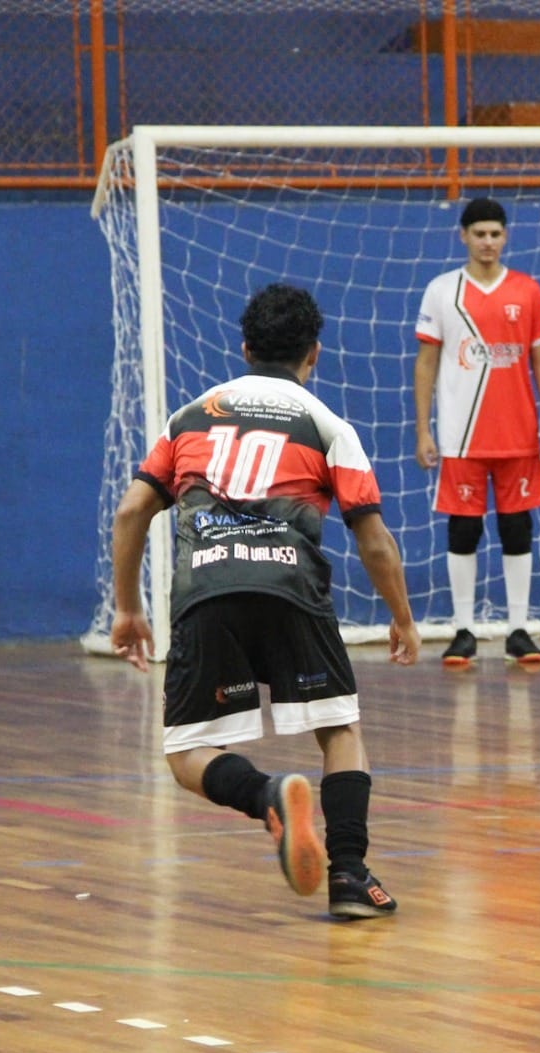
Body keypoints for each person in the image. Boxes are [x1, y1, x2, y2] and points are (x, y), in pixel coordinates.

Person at [110, 283, 421, 920]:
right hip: (292, 591)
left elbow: (131, 511)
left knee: (186, 753)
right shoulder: (326, 424)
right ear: (315, 354)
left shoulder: (190, 417)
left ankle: (266, 795)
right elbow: (374, 539)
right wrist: (402, 617)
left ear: (246, 347)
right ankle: (350, 876)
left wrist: (127, 608)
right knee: (338, 729)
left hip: (206, 594)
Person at [415, 197, 540, 669]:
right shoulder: (442, 291)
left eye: (495, 234)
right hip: (460, 435)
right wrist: (424, 429)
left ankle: (519, 630)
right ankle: (464, 631)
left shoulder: (528, 291)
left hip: (519, 433)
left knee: (517, 527)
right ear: (463, 236)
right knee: (463, 529)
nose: (487, 242)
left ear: (505, 237)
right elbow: (427, 362)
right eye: (479, 233)